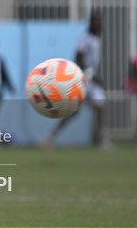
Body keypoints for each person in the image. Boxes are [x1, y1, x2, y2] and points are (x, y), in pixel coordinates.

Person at [40, 11, 110, 150]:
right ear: (90, 23)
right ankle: (49, 138)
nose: (97, 24)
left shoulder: (96, 39)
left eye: (99, 21)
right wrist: (91, 74)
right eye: (95, 21)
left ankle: (102, 140)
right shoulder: (85, 38)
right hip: (85, 79)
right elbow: (78, 57)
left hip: (90, 79)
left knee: (99, 106)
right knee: (76, 110)